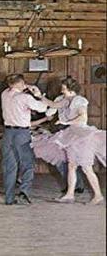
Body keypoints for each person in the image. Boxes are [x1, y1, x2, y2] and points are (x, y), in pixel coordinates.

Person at [31, 77, 105, 205]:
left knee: (87, 168)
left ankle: (98, 196)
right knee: (71, 166)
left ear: (70, 90)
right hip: (71, 135)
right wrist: (38, 95)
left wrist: (65, 121)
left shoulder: (80, 101)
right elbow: (53, 105)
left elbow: (82, 118)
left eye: (64, 88)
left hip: (82, 136)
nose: (61, 89)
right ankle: (69, 195)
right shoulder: (64, 99)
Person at [0, 74, 50, 205]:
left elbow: (15, 86)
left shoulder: (4, 94)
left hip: (7, 133)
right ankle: (24, 192)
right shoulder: (25, 98)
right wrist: (38, 94)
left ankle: (9, 199)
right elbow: (43, 108)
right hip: (22, 134)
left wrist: (25, 86)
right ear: (20, 83)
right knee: (28, 164)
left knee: (9, 167)